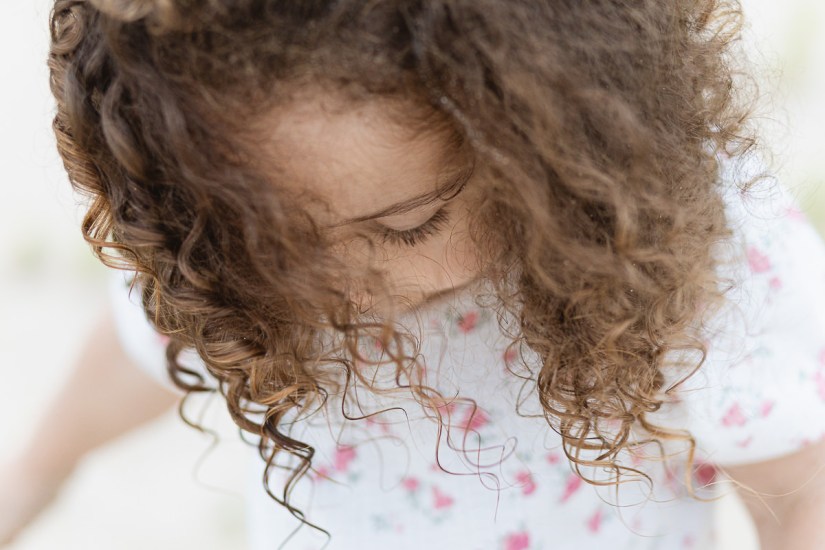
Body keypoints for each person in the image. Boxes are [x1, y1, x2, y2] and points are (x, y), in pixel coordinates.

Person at [4, 0, 825, 548]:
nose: (335, 289)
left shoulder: (680, 247)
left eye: (407, 226)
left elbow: (800, 491)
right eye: (276, 243)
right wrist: (33, 474)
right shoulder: (245, 270)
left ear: (542, 146)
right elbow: (143, 345)